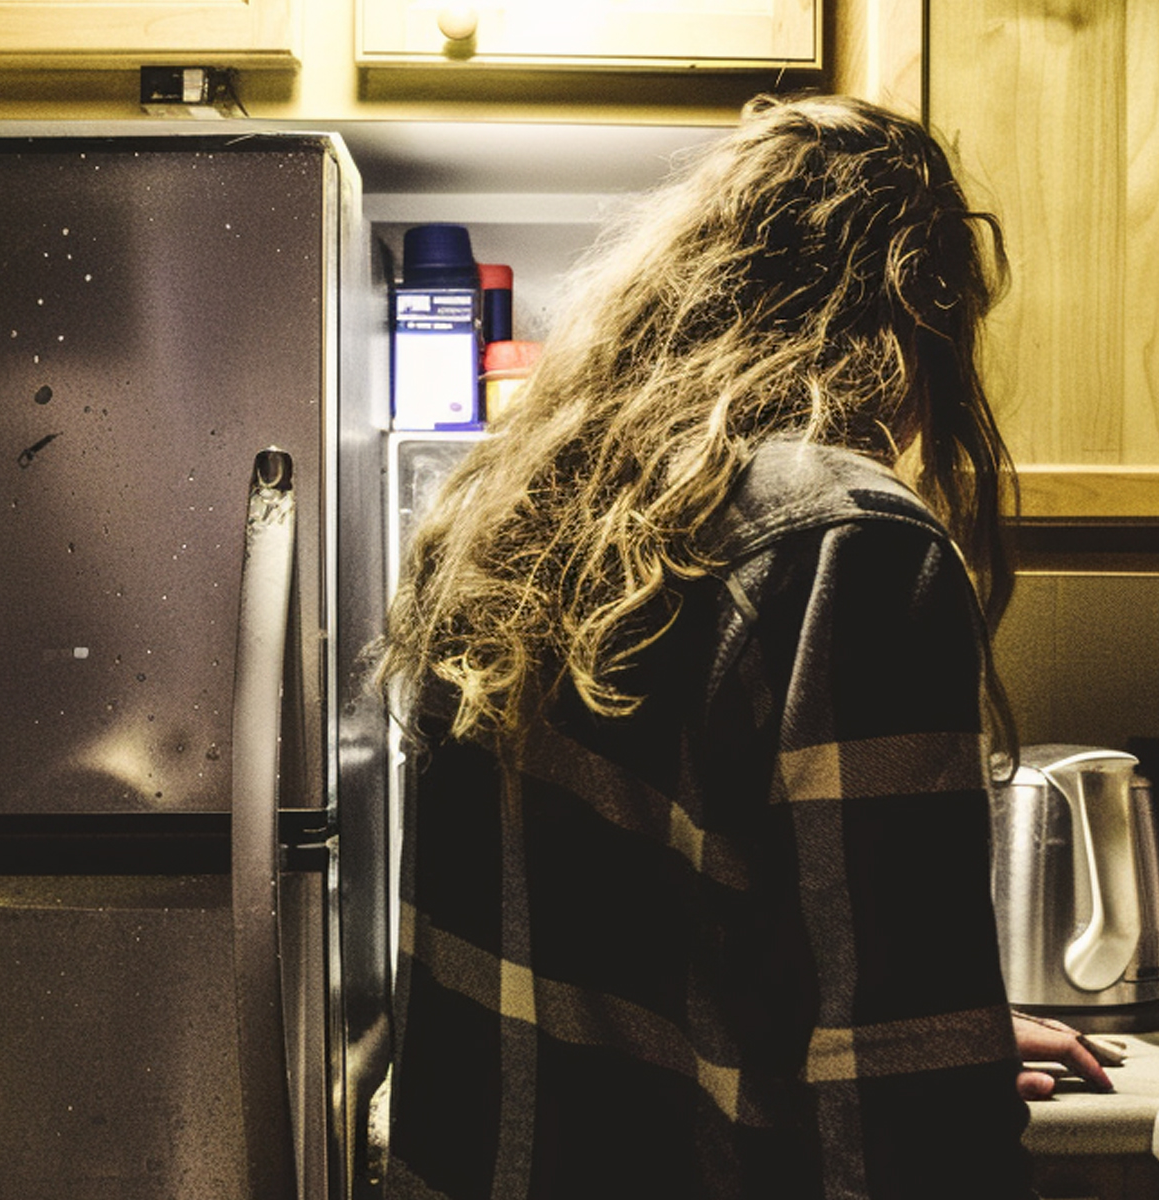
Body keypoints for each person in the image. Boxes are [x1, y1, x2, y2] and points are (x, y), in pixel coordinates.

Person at [375, 93, 1109, 1200]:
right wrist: (935, 1050)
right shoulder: (850, 547)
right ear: (916, 318)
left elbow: (623, 936)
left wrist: (951, 1031)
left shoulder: (495, 518)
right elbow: (901, 1100)